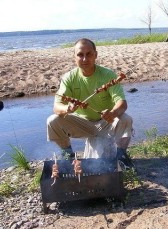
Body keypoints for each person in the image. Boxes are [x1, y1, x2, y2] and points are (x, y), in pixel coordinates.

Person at [47, 38, 135, 170]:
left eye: (89, 54)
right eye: (80, 55)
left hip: (105, 123)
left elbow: (122, 103)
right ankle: (68, 155)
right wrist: (68, 108)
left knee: (125, 119)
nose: (84, 59)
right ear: (74, 57)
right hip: (82, 124)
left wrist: (113, 113)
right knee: (52, 121)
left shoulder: (107, 74)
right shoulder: (69, 78)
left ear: (95, 55)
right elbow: (56, 107)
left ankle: (121, 156)